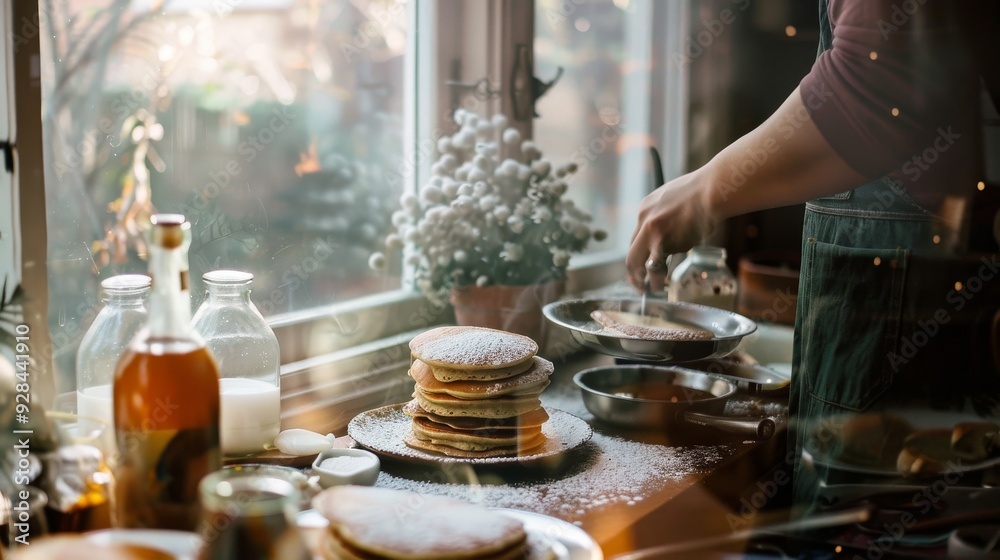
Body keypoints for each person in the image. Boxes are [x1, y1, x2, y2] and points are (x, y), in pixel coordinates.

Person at [627, 0, 998, 513]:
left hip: (914, 323)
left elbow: (873, 91)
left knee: (869, 525)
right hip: (917, 310)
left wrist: (703, 192)